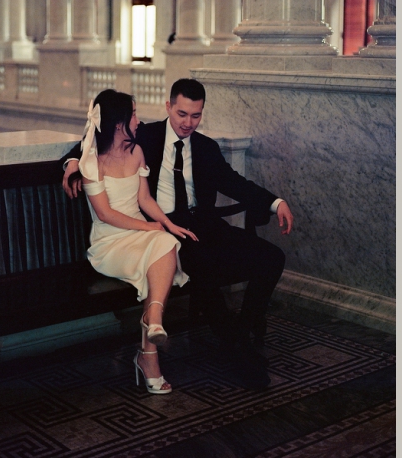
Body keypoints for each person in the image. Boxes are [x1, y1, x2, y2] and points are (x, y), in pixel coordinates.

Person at [62, 79, 293, 389]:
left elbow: (233, 182)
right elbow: (97, 136)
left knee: (272, 257)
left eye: (195, 116)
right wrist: (72, 163)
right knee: (202, 266)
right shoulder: (145, 135)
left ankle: (239, 332)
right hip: (165, 227)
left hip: (206, 224)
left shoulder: (206, 147)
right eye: (182, 114)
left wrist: (275, 202)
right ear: (168, 107)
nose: (188, 123)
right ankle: (238, 349)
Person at [77, 89, 196, 394]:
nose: (138, 120)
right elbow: (105, 215)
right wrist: (149, 227)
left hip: (139, 234)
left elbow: (144, 198)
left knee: (167, 241)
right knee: (158, 244)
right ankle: (149, 347)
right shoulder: (92, 162)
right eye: (133, 114)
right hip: (110, 244)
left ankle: (153, 322)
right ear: (118, 123)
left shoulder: (136, 152)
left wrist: (168, 223)